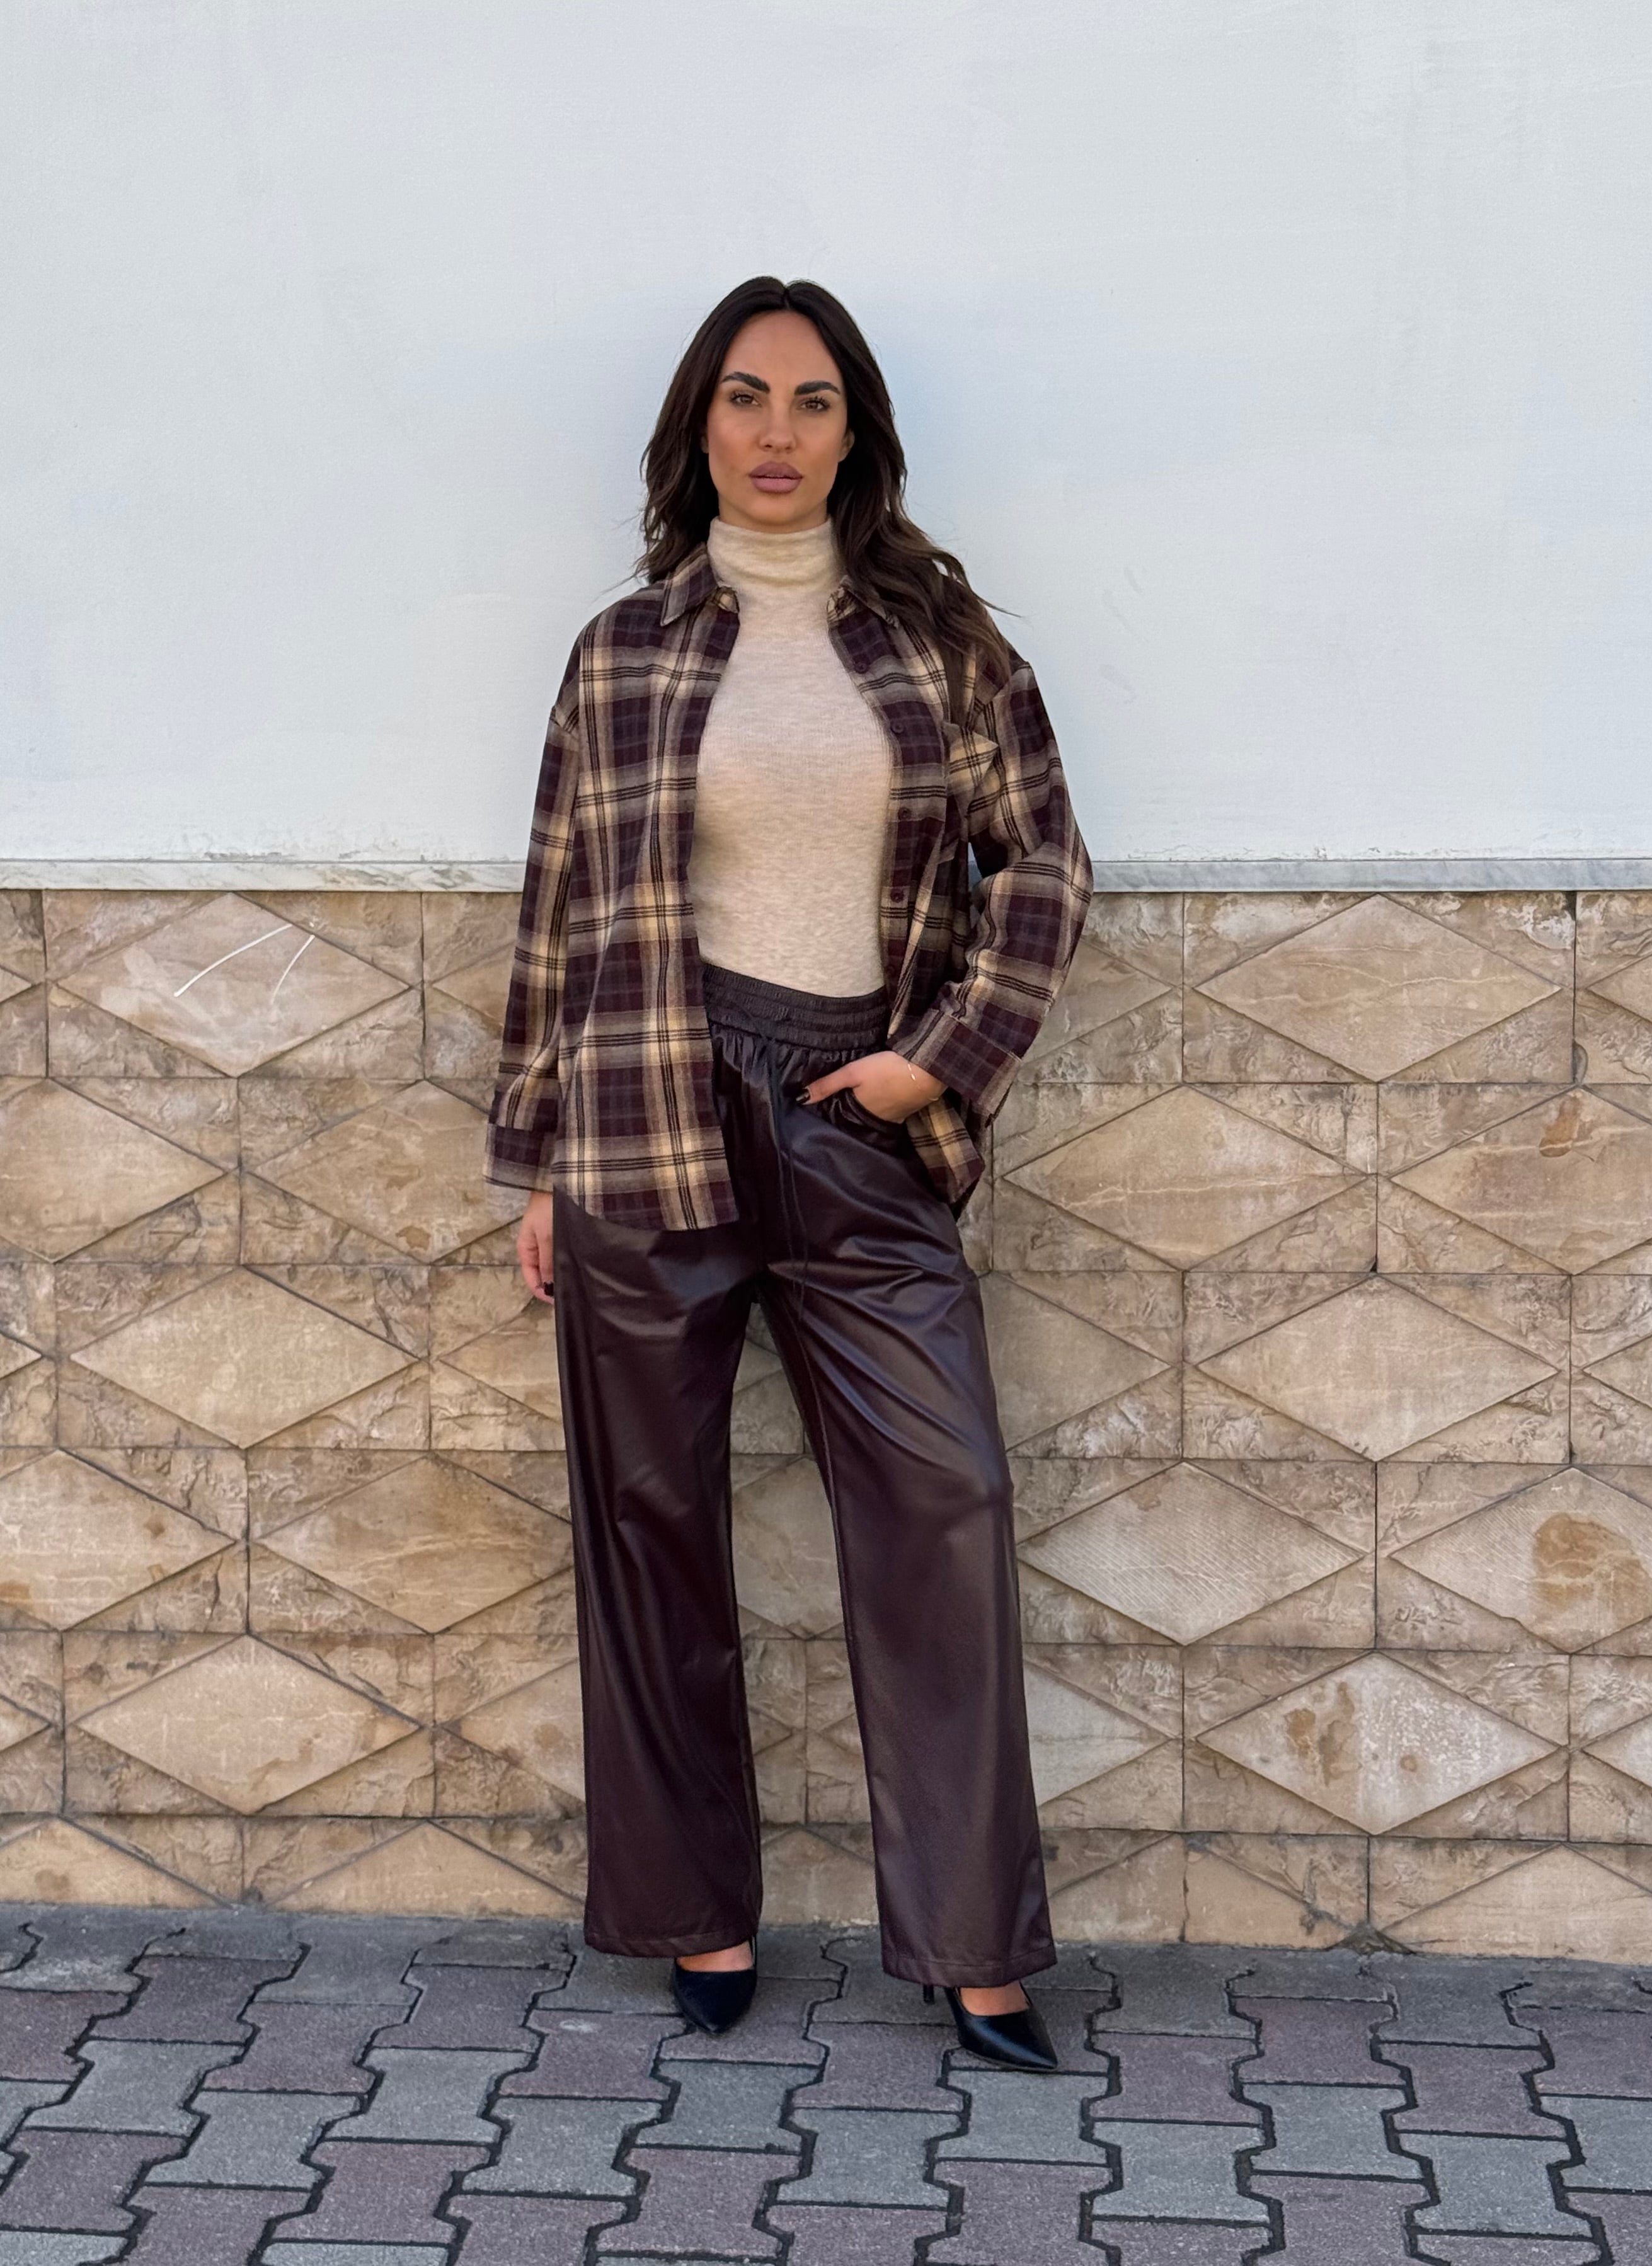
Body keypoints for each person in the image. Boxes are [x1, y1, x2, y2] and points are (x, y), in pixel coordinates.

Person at [487, 276, 1093, 2071]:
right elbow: (559, 909)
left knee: (944, 1504)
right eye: (745, 398)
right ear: (699, 428)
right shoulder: (623, 652)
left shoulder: (941, 647)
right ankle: (699, 1913)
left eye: (812, 401)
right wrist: (539, 1155)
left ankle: (974, 1945)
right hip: (644, 1113)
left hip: (855, 1117)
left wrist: (940, 1058)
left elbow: (1045, 867)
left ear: (855, 433)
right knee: (650, 1526)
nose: (776, 431)